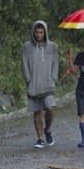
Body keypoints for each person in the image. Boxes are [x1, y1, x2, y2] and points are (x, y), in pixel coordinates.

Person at [21, 20, 59, 148]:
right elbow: (24, 64)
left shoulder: (52, 47)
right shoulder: (27, 47)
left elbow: (55, 63)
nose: (39, 35)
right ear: (33, 32)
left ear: (45, 32)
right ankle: (40, 138)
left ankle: (47, 130)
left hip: (48, 84)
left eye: (41, 32)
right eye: (36, 32)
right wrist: (28, 80)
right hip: (34, 85)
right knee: (36, 111)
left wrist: (53, 78)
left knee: (49, 108)